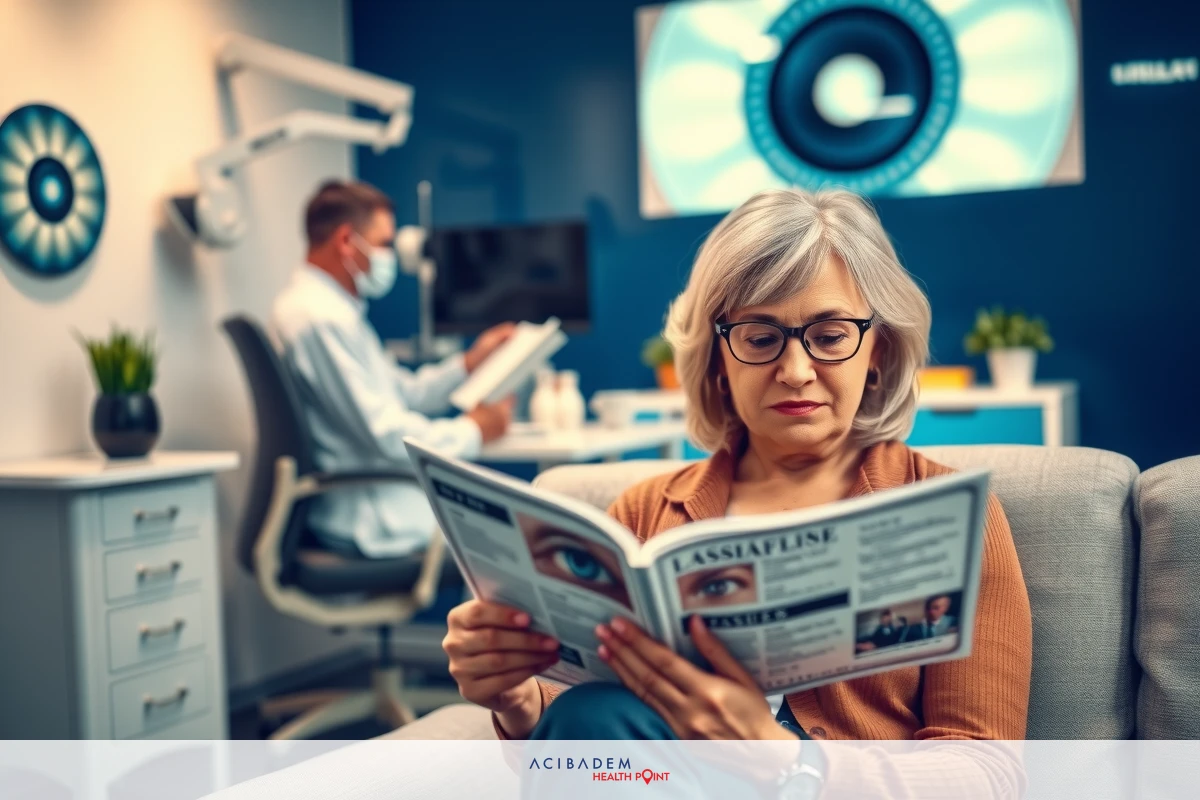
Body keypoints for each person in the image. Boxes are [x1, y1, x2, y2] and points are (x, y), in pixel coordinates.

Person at [440, 188, 1033, 798]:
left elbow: (986, 774)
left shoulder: (951, 515)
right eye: (758, 336)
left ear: (876, 351)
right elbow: (582, 752)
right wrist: (518, 702)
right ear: (719, 359)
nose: (796, 370)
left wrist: (790, 762)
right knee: (588, 718)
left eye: (830, 336)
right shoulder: (646, 513)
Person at [271, 179, 516, 559]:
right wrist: (473, 430)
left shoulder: (335, 311)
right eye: (384, 244)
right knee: (507, 539)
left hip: (378, 493)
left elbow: (404, 394)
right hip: (367, 510)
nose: (389, 258)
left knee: (500, 528)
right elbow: (384, 432)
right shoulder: (318, 318)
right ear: (346, 242)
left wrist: (470, 363)